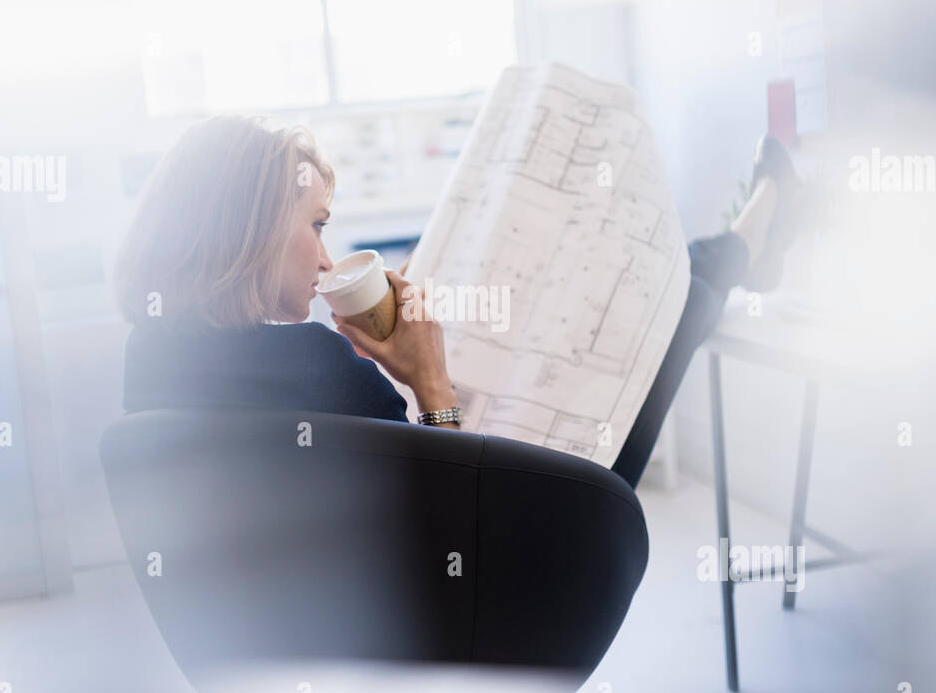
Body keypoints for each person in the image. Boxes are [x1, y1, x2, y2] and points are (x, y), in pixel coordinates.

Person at [116, 114, 805, 489]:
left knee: (667, 299)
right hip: (478, 609)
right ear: (254, 223)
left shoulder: (148, 357)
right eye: (317, 225)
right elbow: (451, 515)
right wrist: (428, 380)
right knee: (667, 311)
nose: (326, 258)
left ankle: (745, 244)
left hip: (276, 635)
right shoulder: (318, 365)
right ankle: (749, 241)